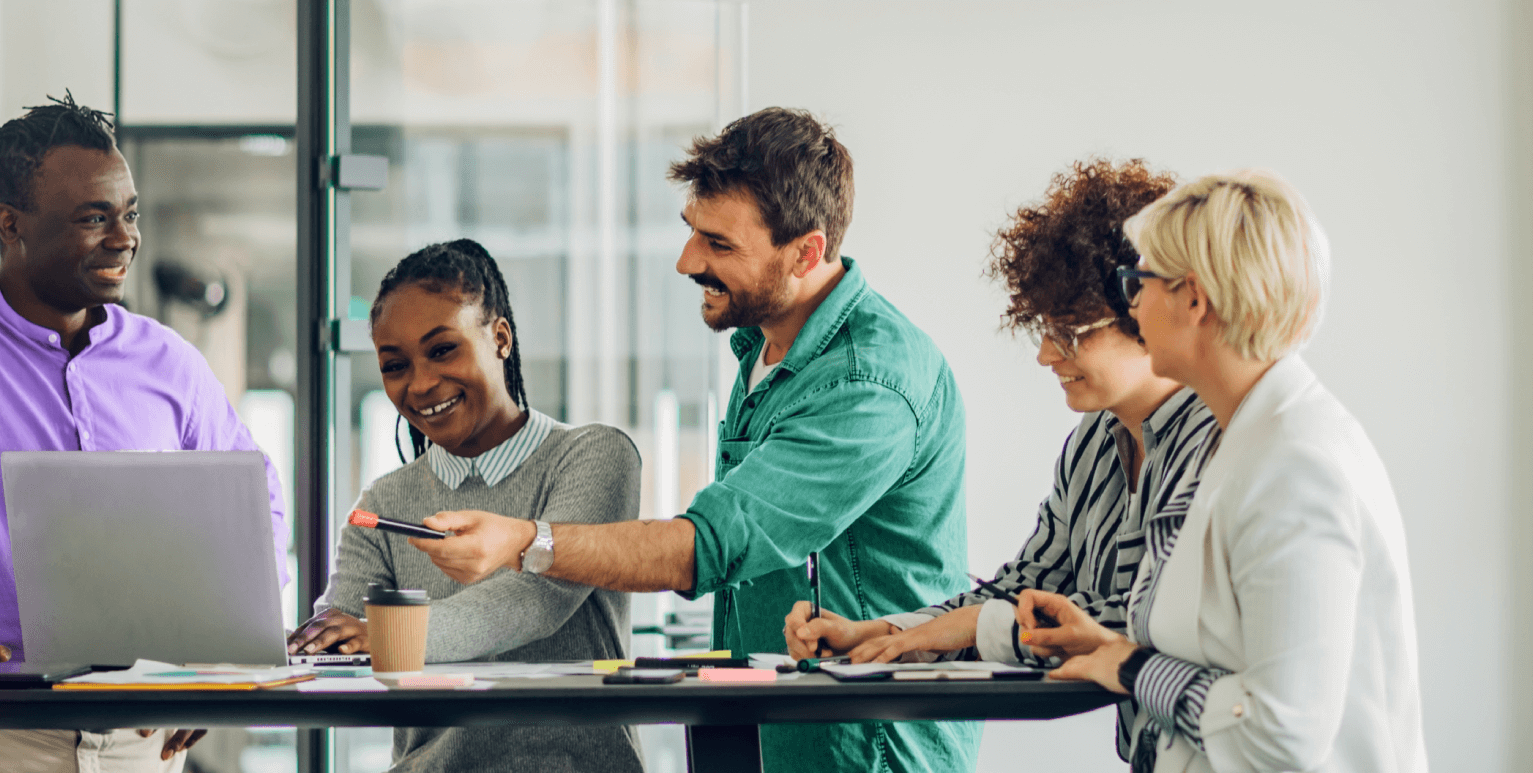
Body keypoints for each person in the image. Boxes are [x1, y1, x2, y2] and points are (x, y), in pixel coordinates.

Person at [408, 108, 980, 772]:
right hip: (764, 729)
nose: (688, 261)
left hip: (865, 748)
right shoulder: (765, 343)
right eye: (691, 232)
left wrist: (523, 540)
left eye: (720, 244)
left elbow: (708, 545)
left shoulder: (868, 385)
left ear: (807, 251)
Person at [0, 93, 288, 772]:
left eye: (129, 214)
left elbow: (254, 506)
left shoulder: (169, 362)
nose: (125, 237)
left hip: (142, 738)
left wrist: (224, 662)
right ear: (10, 222)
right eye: (93, 218)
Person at [781, 158, 1212, 764]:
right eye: (1043, 327)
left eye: (1072, 331)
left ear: (1142, 311)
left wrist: (955, 630)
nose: (1044, 354)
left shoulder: (1215, 442)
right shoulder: (1094, 439)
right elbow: (1029, 587)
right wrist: (892, 633)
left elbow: (1131, 626)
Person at [1021, 170, 1426, 772]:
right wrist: (1114, 649)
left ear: (1194, 299)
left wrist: (1133, 670)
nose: (1131, 304)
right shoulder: (1248, 441)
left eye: (1139, 282)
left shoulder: (1296, 468)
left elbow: (1278, 733)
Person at [285, 239, 645, 773]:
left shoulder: (594, 457)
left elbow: (538, 598)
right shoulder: (381, 503)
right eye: (395, 365)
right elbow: (347, 628)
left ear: (500, 338)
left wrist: (386, 635)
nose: (422, 383)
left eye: (442, 349)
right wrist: (324, 639)